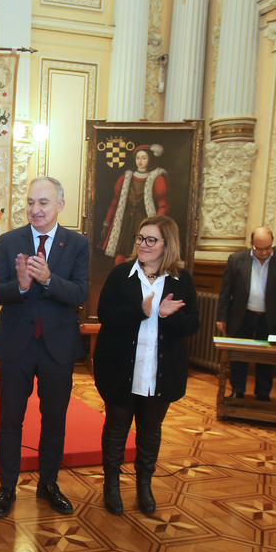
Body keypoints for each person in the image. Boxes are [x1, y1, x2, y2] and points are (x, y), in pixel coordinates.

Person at [0, 177, 89, 518]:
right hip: (16, 345)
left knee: (54, 420)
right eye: (31, 202)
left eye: (43, 203)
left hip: (57, 348)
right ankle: (6, 486)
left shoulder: (77, 244)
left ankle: (48, 483)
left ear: (60, 204)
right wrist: (19, 285)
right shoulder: (9, 240)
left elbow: (79, 294)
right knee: (10, 420)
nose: (35, 209)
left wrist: (47, 279)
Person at [93, 215, 198, 516]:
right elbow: (106, 315)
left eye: (151, 240)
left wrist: (166, 315)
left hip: (160, 375)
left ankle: (144, 486)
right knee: (116, 429)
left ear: (167, 245)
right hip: (121, 371)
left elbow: (192, 324)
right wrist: (142, 309)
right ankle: (111, 485)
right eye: (140, 238)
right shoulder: (121, 275)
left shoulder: (182, 281)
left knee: (150, 431)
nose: (143, 245)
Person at [215, 227, 276, 400]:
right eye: (259, 249)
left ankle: (263, 393)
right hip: (242, 314)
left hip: (270, 317)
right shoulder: (236, 259)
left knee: (266, 357)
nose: (264, 253)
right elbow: (225, 291)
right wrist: (221, 317)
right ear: (251, 244)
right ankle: (237, 390)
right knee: (238, 356)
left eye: (268, 248)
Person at [100, 144, 169, 264]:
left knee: (142, 254)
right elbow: (115, 202)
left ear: (149, 159)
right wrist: (107, 221)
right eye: (138, 158)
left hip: (143, 221)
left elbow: (163, 205)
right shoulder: (126, 178)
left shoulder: (156, 178)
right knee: (121, 254)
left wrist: (156, 225)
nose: (140, 161)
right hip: (126, 222)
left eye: (144, 158)